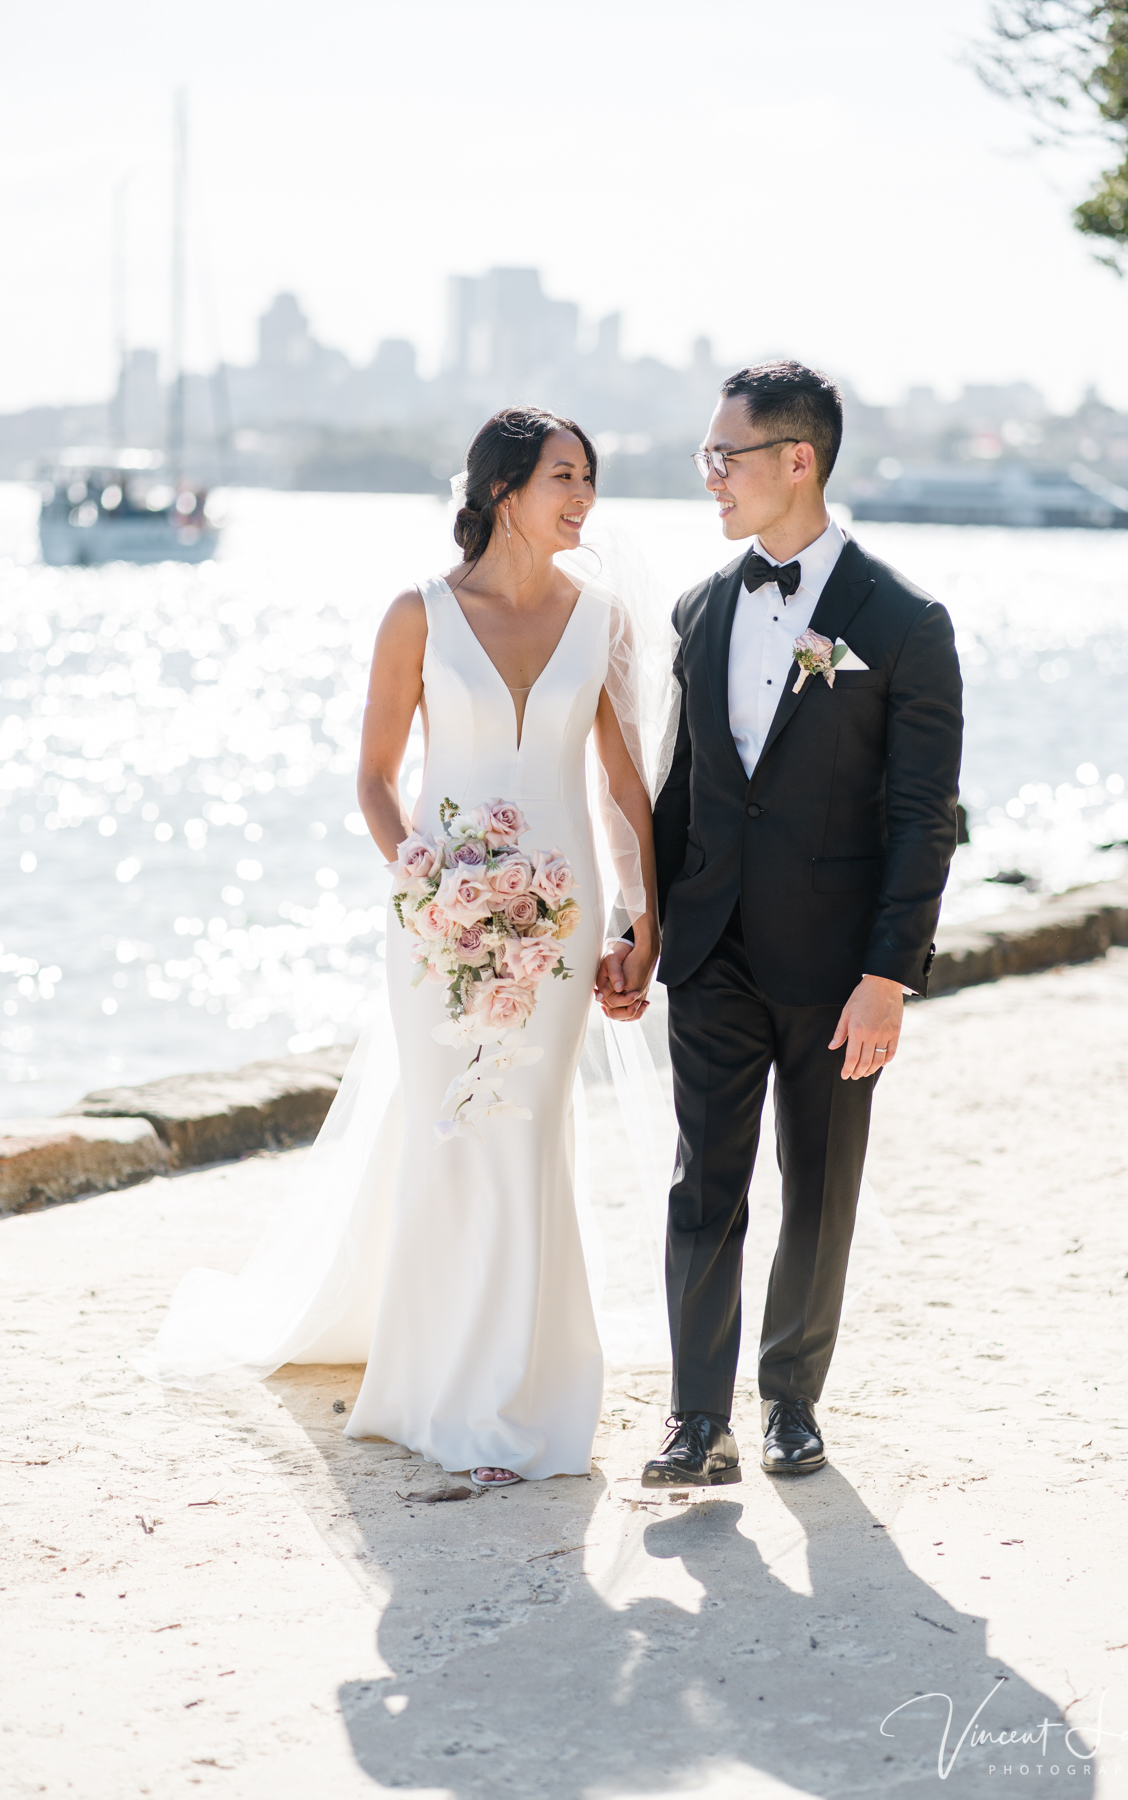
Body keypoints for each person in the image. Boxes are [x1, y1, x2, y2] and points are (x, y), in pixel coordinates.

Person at [142, 407, 661, 1490]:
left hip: (564, 922)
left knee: (527, 1135)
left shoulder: (601, 617)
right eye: (564, 476)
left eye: (590, 478)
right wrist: (431, 886)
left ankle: (523, 1388)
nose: (584, 497)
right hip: (439, 928)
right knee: (451, 1129)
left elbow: (621, 784)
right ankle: (441, 1388)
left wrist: (637, 916)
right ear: (502, 488)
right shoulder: (418, 613)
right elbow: (376, 780)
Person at [598, 362, 963, 1488]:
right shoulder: (701, 606)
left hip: (837, 965)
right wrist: (642, 922)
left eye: (727, 454)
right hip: (711, 952)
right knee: (703, 1182)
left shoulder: (902, 621)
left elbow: (922, 816)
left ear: (795, 460)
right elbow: (681, 784)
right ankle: (695, 1416)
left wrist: (888, 975)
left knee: (820, 1183)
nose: (710, 475)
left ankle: (790, 1400)